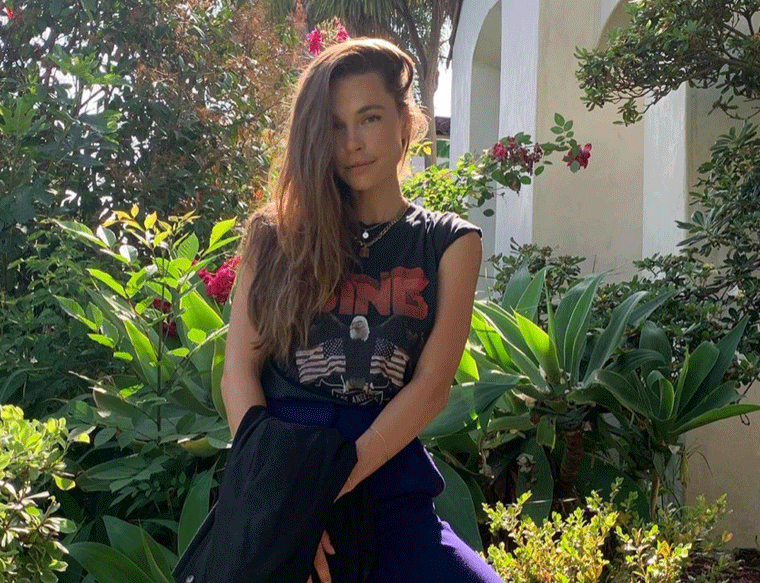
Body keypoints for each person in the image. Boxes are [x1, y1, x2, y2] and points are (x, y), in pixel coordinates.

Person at [221, 37, 504, 583]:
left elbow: (431, 387)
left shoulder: (449, 244)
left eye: (369, 118)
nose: (352, 142)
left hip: (385, 476)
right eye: (333, 126)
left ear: (406, 122)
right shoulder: (275, 239)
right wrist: (284, 498)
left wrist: (333, 483)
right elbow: (239, 373)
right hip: (282, 473)